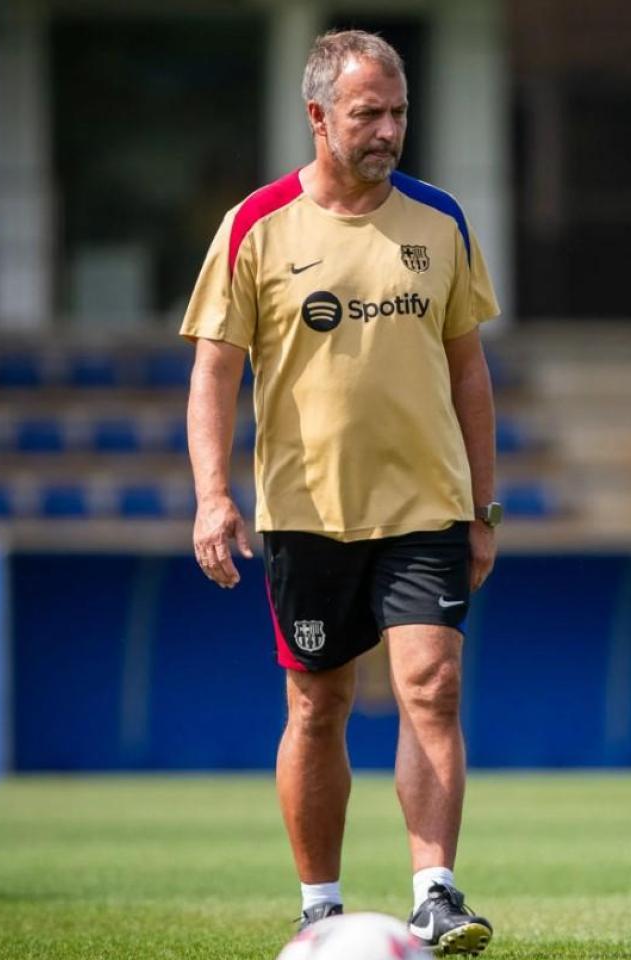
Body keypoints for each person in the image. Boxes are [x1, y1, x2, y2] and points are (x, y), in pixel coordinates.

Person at [178, 28, 501, 956]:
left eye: (399, 111)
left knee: (431, 687)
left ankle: (434, 892)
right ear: (317, 116)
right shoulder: (257, 225)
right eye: (369, 113)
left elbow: (469, 371)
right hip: (305, 513)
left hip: (426, 507)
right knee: (317, 705)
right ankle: (321, 902)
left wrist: (483, 506)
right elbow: (213, 375)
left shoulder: (440, 221)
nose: (389, 130)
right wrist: (212, 494)